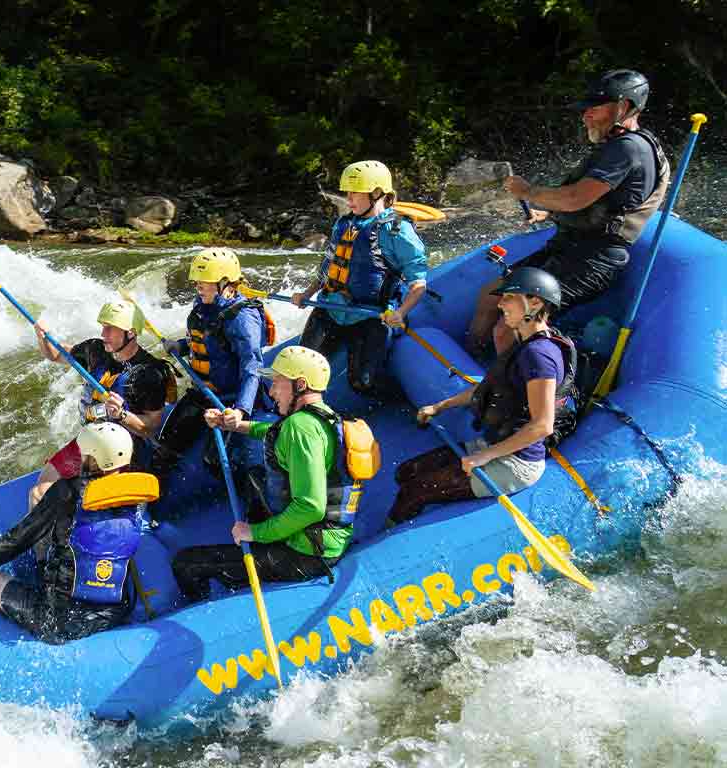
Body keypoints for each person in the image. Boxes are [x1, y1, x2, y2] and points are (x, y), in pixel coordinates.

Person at [469, 68, 671, 356]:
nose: (585, 114)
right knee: (490, 298)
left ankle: (507, 391)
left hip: (592, 260)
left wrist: (528, 192)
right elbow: (603, 205)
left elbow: (577, 198)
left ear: (624, 107)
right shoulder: (618, 146)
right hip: (569, 247)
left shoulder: (629, 149)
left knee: (508, 328)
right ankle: (471, 368)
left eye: (595, 108)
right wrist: (550, 215)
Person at [171, 346, 378, 602]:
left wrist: (254, 533)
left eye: (277, 383)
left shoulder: (300, 429)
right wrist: (234, 425)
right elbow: (273, 431)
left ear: (300, 385)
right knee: (253, 476)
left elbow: (310, 507)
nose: (271, 391)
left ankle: (201, 608)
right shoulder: (322, 416)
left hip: (306, 553)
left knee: (186, 564)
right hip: (323, 537)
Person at [389, 268, 576, 524]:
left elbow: (542, 426)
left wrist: (484, 457)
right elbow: (488, 387)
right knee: (406, 472)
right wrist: (440, 406)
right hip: (494, 444)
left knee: (414, 490)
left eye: (509, 297)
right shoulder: (523, 344)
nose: (500, 304)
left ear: (535, 301)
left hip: (515, 462)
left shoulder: (539, 355)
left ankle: (392, 533)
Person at [0, 422, 158, 644]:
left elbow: (23, 536)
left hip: (61, 621)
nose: (80, 457)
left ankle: (29, 609)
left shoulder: (67, 491)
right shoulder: (139, 491)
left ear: (94, 458)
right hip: (115, 611)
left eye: (85, 453)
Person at [289, 160, 428, 395]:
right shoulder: (344, 224)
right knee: (300, 374)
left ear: (376, 193)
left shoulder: (396, 230)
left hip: (368, 316)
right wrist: (306, 294)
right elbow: (329, 267)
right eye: (347, 193)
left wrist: (401, 313)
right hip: (329, 309)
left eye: (355, 193)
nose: (348, 199)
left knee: (362, 383)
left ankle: (400, 398)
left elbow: (418, 283)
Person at [153, 247, 276, 510]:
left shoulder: (242, 317)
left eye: (203, 282)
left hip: (232, 398)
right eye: (197, 281)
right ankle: (151, 506)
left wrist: (241, 410)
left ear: (224, 283)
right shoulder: (203, 305)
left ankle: (259, 511)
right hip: (202, 393)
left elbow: (252, 366)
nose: (197, 286)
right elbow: (206, 342)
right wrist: (181, 346)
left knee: (216, 459)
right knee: (167, 446)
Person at [28, 298, 175, 509]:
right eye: (103, 327)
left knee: (92, 503)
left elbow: (150, 428)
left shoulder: (149, 373)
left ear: (131, 333)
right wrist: (42, 337)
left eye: (110, 329)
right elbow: (56, 355)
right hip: (91, 439)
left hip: (123, 448)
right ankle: (44, 538)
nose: (103, 333)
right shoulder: (95, 350)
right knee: (39, 492)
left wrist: (122, 415)